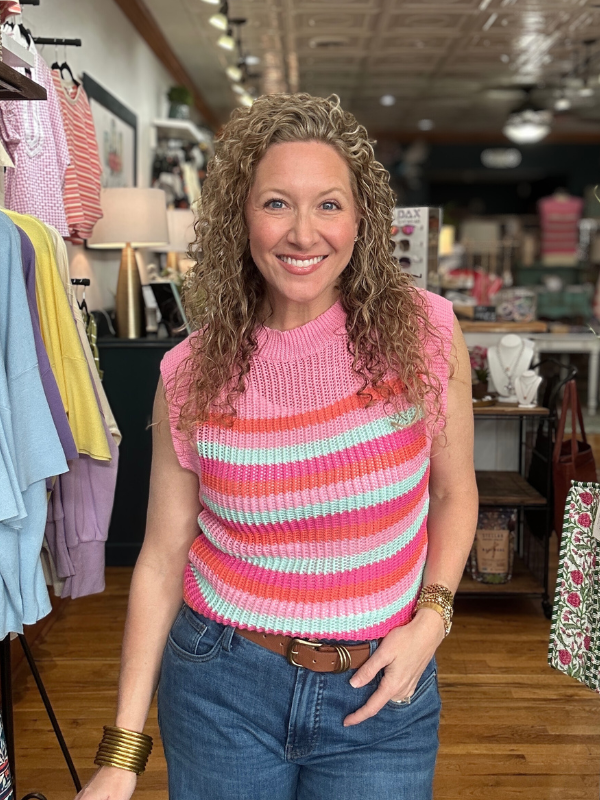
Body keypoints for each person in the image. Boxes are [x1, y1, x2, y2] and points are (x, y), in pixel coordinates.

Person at [77, 93, 478, 800]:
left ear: (362, 220)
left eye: (327, 204)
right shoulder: (190, 373)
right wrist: (122, 754)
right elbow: (164, 558)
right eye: (275, 204)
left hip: (382, 687)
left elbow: (452, 492)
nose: (302, 233)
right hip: (221, 684)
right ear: (241, 217)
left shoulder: (427, 332)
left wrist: (432, 619)